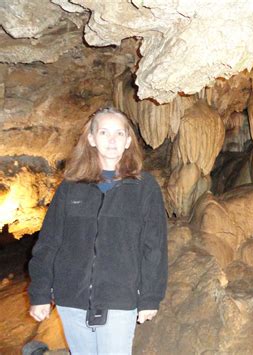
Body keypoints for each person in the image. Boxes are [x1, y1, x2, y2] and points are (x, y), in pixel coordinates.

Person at [28, 107, 168, 354]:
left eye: (119, 133)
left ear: (128, 141)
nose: (112, 140)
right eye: (103, 132)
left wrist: (149, 297)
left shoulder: (144, 188)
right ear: (91, 139)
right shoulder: (70, 188)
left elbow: (154, 247)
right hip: (72, 298)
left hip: (119, 298)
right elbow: (49, 242)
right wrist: (40, 292)